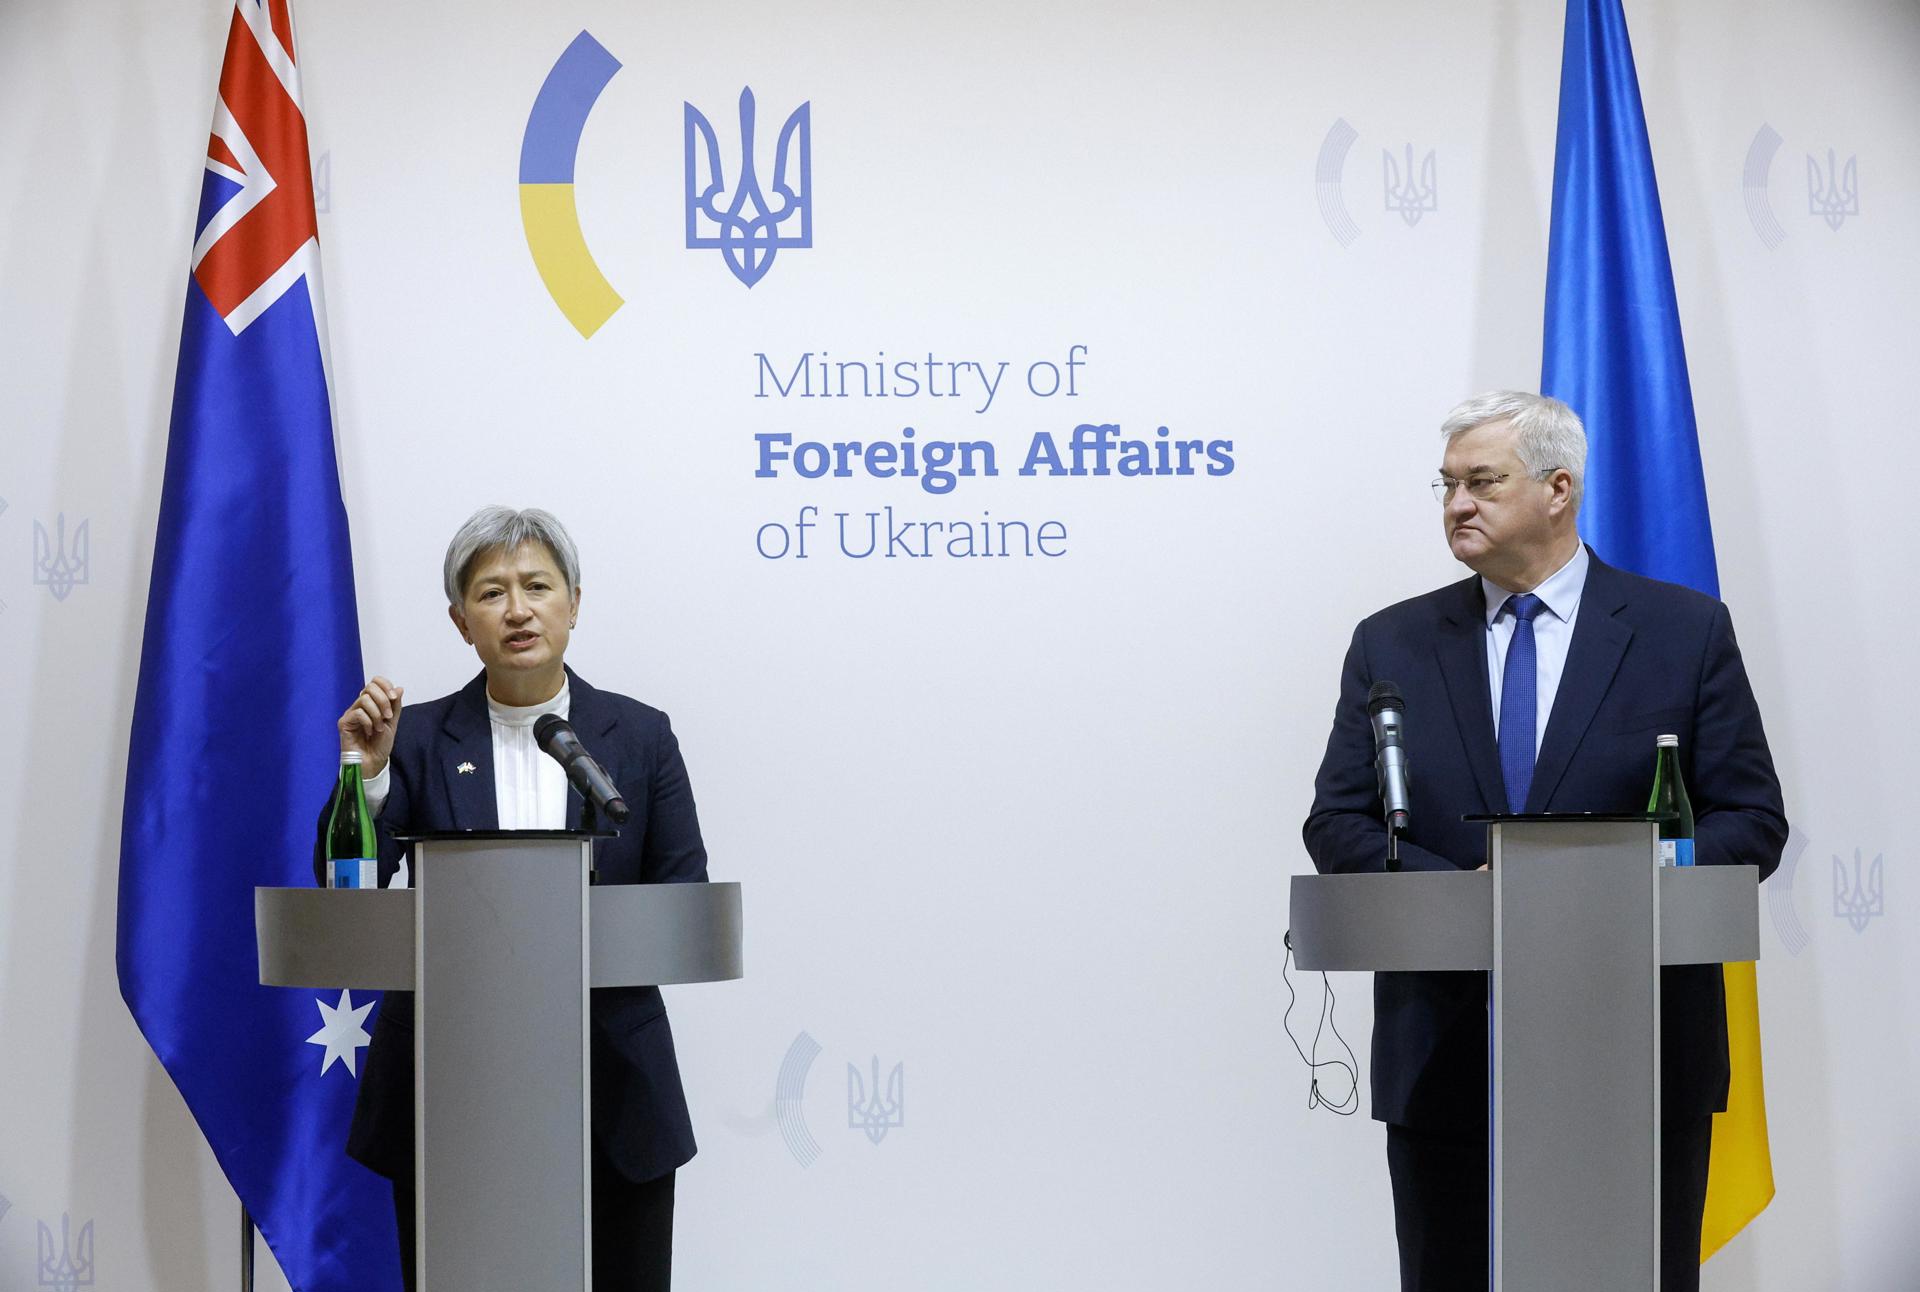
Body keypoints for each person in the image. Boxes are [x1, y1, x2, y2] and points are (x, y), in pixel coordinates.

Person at [1302, 391, 1786, 1292]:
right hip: (1446, 1059)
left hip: (1639, 1054)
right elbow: (1338, 823)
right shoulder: (1394, 643)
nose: (1456, 505)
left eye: (1482, 481)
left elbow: (1752, 822)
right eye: (1445, 485)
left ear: (1558, 488)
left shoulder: (1683, 633)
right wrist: (1478, 895)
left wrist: (1600, 887)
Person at [314, 505, 707, 1292]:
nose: (518, 609)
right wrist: (372, 773)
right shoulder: (417, 739)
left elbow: (684, 903)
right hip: (448, 1089)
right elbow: (343, 895)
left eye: (537, 586)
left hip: (613, 1090)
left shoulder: (639, 736)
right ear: (462, 622)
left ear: (574, 603)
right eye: (492, 593)